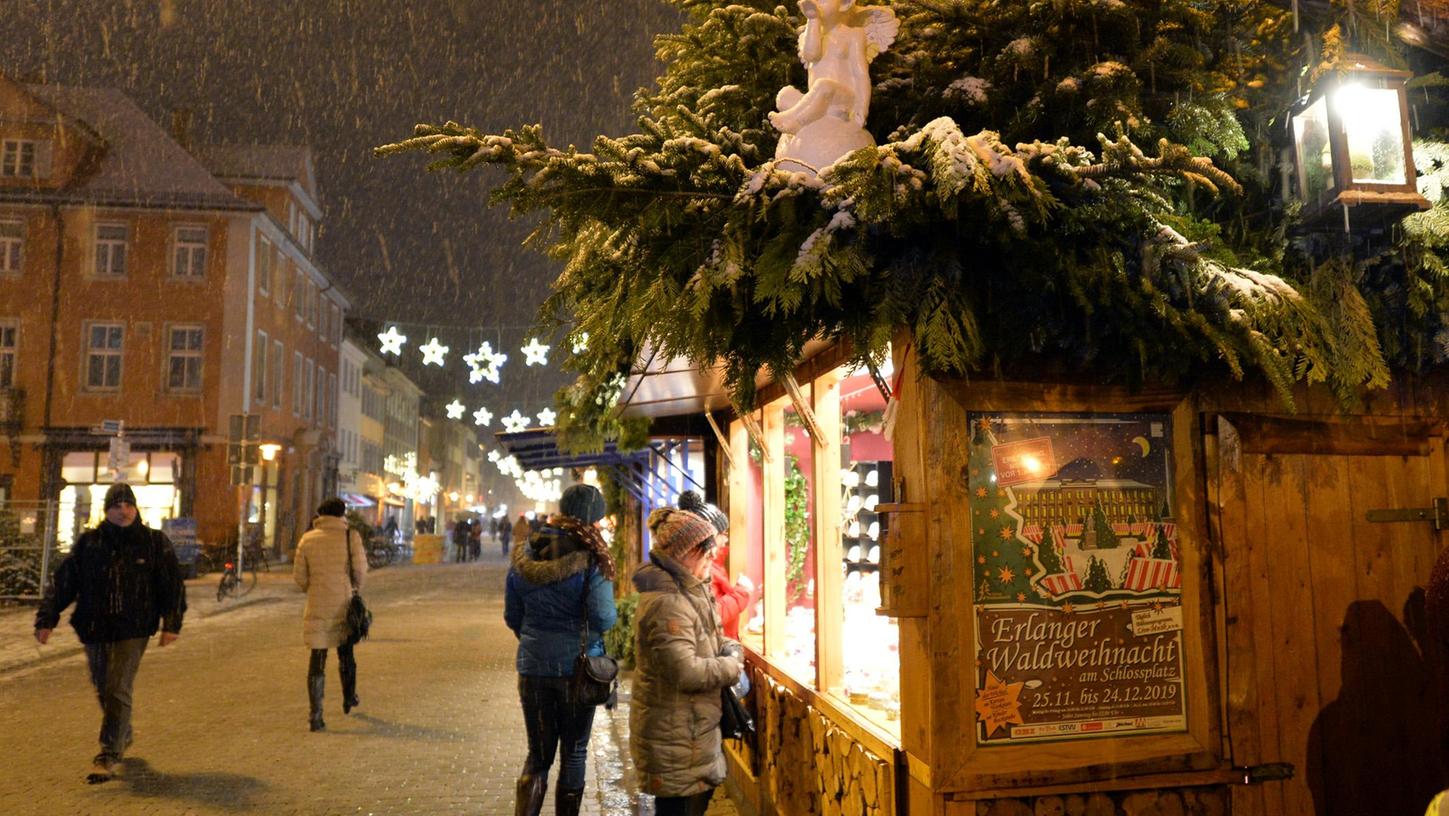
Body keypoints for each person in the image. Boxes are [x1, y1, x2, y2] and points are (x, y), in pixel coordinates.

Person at [33, 483, 187, 783]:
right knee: (103, 686)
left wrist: (171, 623)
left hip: (135, 626)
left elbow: (171, 586)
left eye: (128, 504)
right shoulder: (91, 543)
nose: (123, 510)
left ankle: (109, 752)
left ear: (135, 508)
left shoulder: (153, 542)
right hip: (94, 626)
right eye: (116, 505)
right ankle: (122, 731)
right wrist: (46, 618)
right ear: (107, 510)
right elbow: (65, 582)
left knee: (117, 686)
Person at [504, 484, 617, 816]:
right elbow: (603, 616)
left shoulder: (526, 553)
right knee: (574, 752)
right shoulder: (592, 557)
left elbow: (512, 615)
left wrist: (536, 638)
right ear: (593, 518)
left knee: (537, 756)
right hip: (577, 672)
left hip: (533, 669)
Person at [631, 508, 745, 815]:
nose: (712, 561)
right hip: (675, 738)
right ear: (689, 553)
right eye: (708, 555)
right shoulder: (669, 601)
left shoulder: (689, 590)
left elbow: (709, 637)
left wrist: (729, 647)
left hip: (688, 734)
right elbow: (688, 671)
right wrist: (732, 666)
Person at [293, 498, 367, 732]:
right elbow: (360, 570)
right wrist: (353, 587)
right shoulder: (349, 537)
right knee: (346, 654)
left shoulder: (307, 539)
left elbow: (300, 577)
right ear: (342, 514)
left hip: (317, 604)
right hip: (342, 605)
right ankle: (348, 696)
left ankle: (316, 715)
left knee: (318, 660)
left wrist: (313, 588)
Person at [677, 490, 756, 640]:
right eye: (724, 534)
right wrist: (742, 592)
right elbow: (713, 614)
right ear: (711, 536)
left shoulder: (713, 565)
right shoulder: (704, 569)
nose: (726, 540)